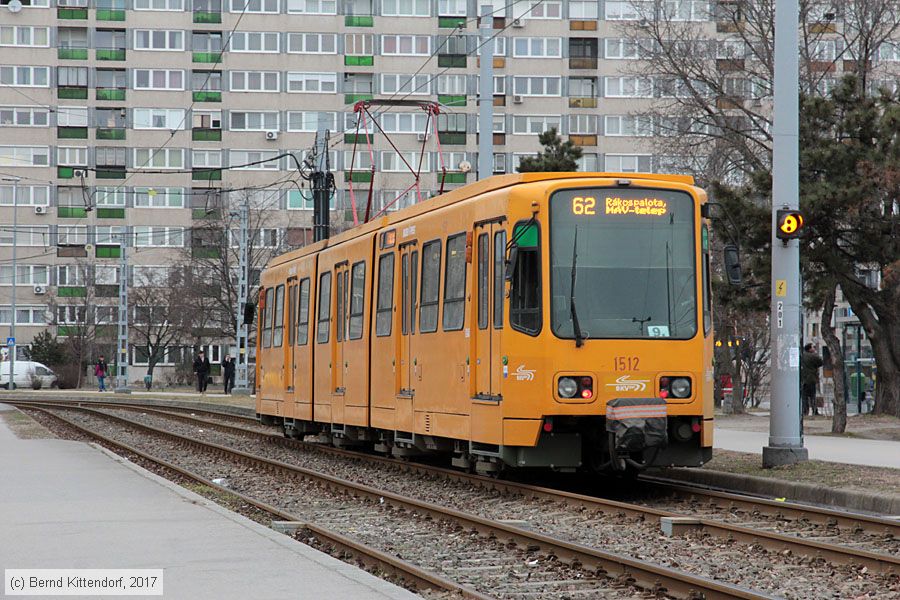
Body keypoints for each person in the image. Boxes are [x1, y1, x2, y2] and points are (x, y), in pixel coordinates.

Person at [801, 343, 823, 416]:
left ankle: (805, 411)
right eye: (813, 347)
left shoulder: (802, 356)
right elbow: (821, 362)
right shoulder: (813, 356)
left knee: (804, 397)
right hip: (811, 379)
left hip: (803, 379)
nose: (814, 348)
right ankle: (814, 410)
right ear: (810, 349)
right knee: (812, 396)